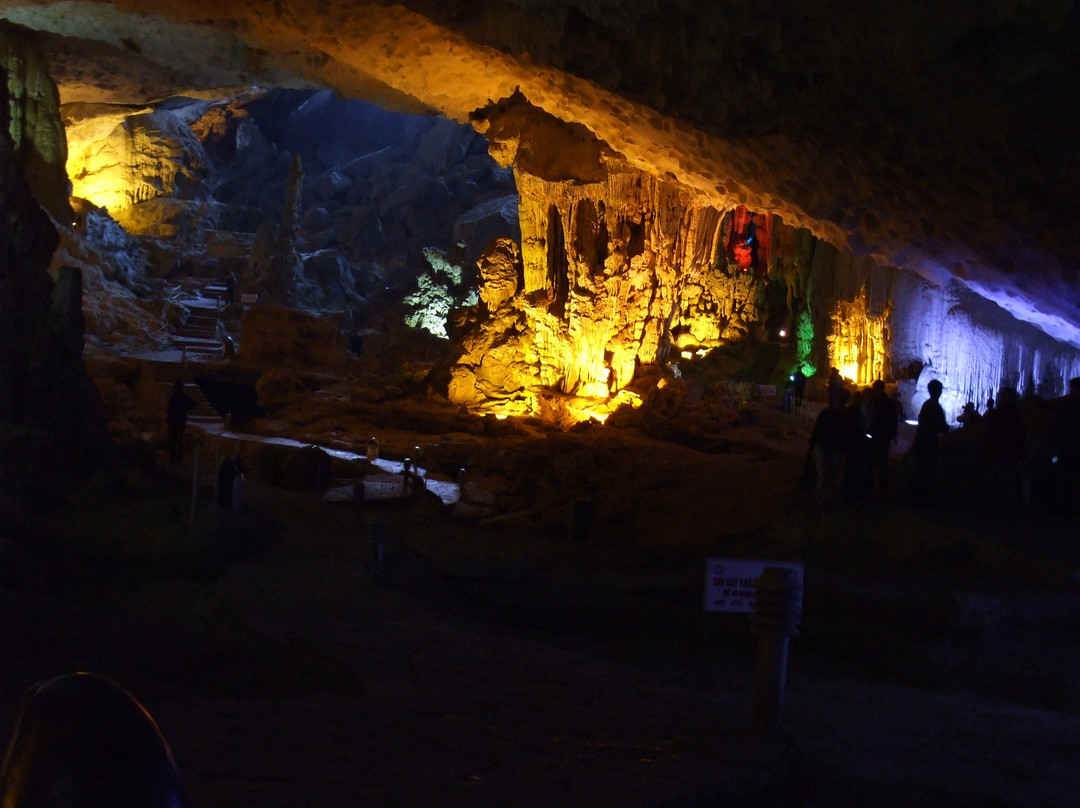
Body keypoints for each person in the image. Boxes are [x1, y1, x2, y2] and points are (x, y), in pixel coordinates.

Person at [910, 378, 948, 503]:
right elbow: (940, 426)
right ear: (938, 391)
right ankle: (923, 497)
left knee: (922, 469)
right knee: (927, 470)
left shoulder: (927, 405)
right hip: (929, 443)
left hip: (922, 441)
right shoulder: (935, 407)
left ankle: (919, 496)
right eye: (940, 390)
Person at [868, 379, 899, 497]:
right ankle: (882, 488)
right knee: (881, 462)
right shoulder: (888, 403)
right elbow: (894, 420)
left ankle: (875, 487)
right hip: (883, 436)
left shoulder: (876, 402)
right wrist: (893, 434)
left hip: (878, 436)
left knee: (876, 462)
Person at [166, 379, 196, 465]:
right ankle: (176, 459)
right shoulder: (183, 397)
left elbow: (170, 410)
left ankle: (174, 460)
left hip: (174, 422)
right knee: (177, 441)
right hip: (180, 422)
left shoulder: (173, 398)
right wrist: (185, 410)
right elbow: (193, 403)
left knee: (174, 441)